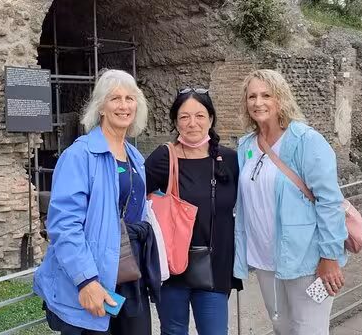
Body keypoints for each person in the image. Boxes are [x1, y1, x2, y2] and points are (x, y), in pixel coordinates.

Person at [34, 69, 158, 335]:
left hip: (129, 275)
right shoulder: (79, 156)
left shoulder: (135, 157)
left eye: (130, 98)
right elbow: (64, 225)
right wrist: (86, 281)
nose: (123, 105)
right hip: (93, 276)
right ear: (101, 107)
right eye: (115, 99)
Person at [233, 69, 347, 335]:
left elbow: (329, 201)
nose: (258, 102)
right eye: (252, 96)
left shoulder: (306, 140)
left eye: (266, 95)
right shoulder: (246, 145)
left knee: (310, 330)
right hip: (265, 259)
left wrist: (329, 257)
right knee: (281, 327)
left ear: (280, 98)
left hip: (308, 258)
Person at [145, 88, 242, 335]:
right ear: (175, 122)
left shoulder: (230, 160)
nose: (192, 123)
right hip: (171, 268)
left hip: (215, 267)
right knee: (174, 331)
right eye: (184, 117)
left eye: (199, 116)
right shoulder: (163, 158)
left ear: (210, 119)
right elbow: (133, 200)